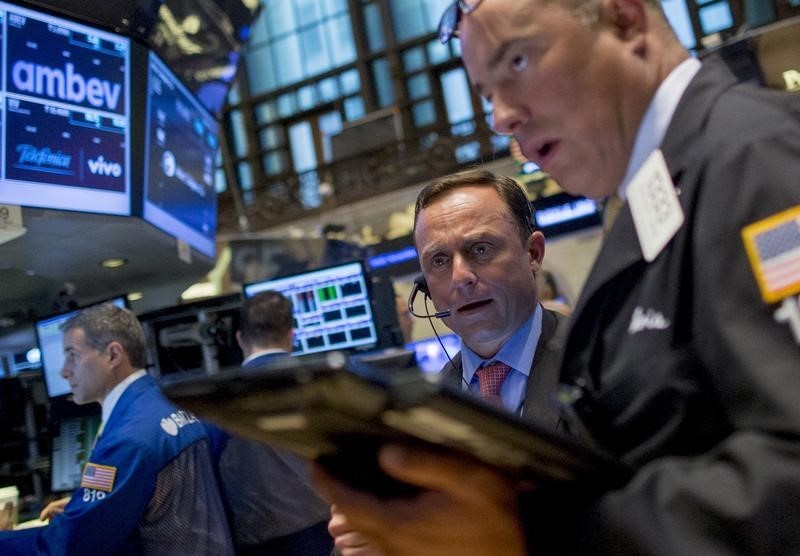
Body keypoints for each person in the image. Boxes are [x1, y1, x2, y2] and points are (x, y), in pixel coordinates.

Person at [314, 0, 800, 554]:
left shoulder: (754, 158)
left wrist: (529, 531)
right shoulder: (657, 199)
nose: (500, 116)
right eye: (485, 93)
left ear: (624, 17)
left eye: (517, 62)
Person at [328, 169, 570, 554]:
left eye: (480, 249)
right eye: (439, 260)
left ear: (533, 253)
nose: (460, 277)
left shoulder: (599, 360)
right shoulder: (420, 412)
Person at [0, 303, 234, 554]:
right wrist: (86, 504)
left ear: (113, 355)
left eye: (72, 355)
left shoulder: (126, 439)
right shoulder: (171, 405)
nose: (64, 371)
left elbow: (70, 545)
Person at [206, 290, 333, 555]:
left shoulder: (218, 404)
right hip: (330, 537)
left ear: (241, 339)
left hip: (259, 547)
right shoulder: (325, 387)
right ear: (291, 335)